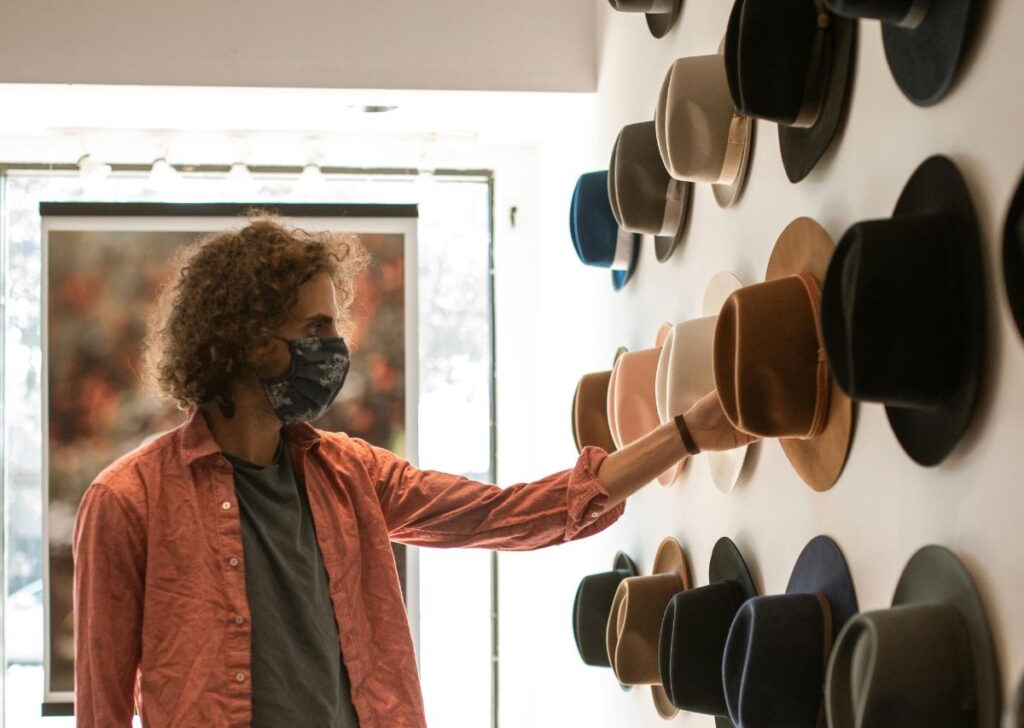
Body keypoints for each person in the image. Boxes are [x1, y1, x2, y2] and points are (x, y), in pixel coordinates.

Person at [73, 214, 756, 727]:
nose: (334, 350)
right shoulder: (128, 502)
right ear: (246, 338)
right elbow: (101, 710)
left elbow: (516, 513)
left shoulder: (348, 473)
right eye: (314, 330)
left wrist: (686, 434)